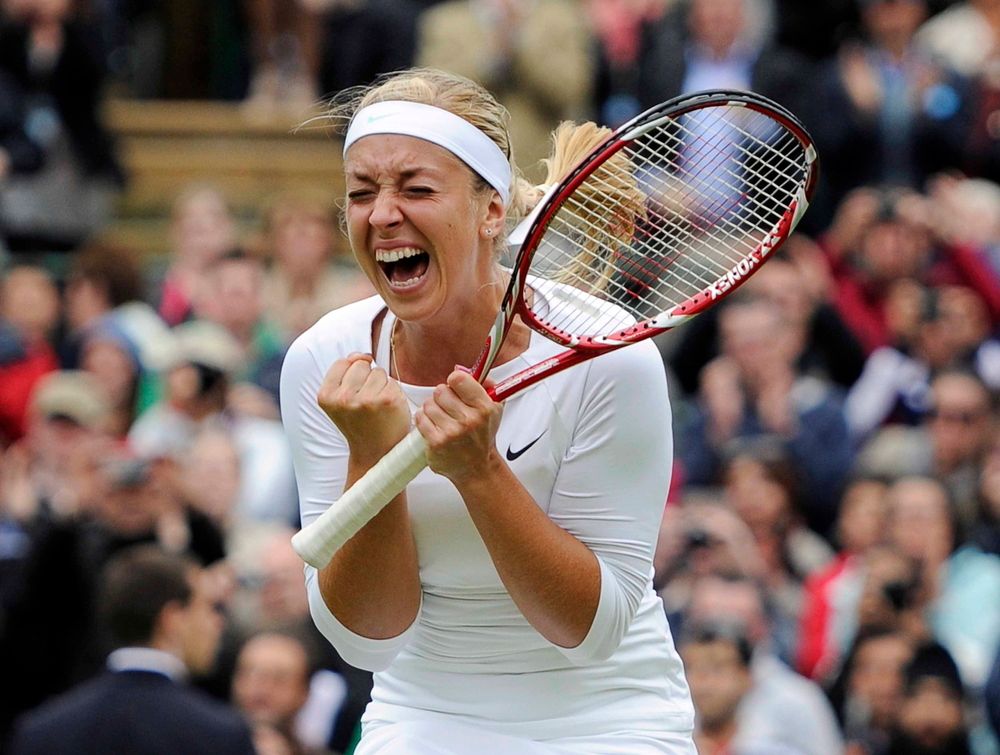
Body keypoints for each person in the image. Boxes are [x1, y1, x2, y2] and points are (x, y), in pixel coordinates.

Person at [279, 68, 696, 752]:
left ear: (491, 212)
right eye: (361, 192)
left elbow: (589, 632)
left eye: (416, 189)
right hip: (421, 714)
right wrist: (370, 454)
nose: (382, 215)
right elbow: (367, 638)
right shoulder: (322, 361)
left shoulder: (608, 357)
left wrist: (480, 472)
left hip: (608, 718)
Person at [5, 545, 256, 755]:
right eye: (207, 608)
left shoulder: (42, 732)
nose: (217, 623)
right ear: (173, 619)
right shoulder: (222, 735)